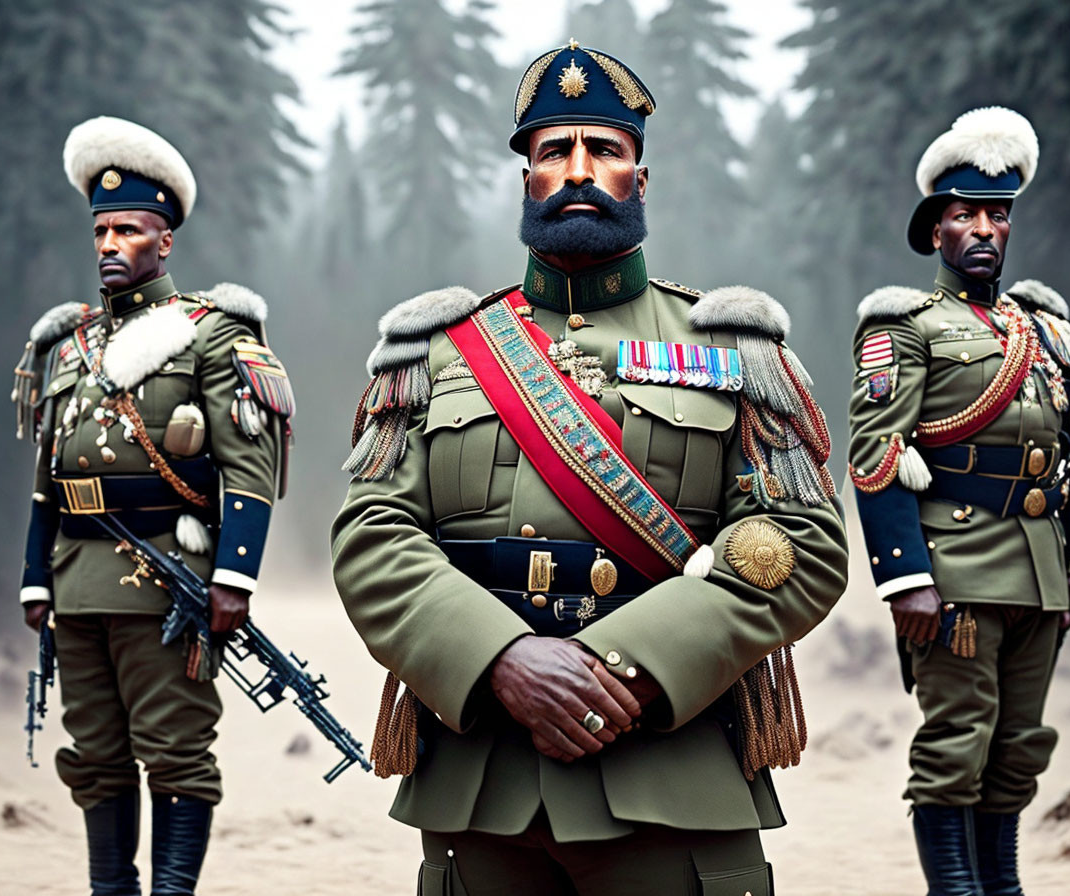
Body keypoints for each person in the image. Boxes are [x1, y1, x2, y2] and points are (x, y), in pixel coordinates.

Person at [332, 41, 848, 895]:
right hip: (484, 785)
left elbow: (799, 544)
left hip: (671, 781)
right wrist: (500, 659)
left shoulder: (734, 348)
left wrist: (620, 669)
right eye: (553, 152)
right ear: (525, 181)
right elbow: (371, 537)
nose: (578, 170)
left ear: (640, 179)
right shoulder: (433, 353)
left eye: (604, 150)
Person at [13, 116, 293, 896]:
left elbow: (249, 468)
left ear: (163, 241)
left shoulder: (209, 335)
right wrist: (37, 578)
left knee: (174, 750)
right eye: (101, 229)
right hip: (78, 580)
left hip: (165, 578)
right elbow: (49, 474)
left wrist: (234, 579)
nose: (109, 244)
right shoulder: (68, 347)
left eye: (128, 230)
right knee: (94, 752)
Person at [848, 107, 1070, 896]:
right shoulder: (905, 325)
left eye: (997, 215)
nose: (984, 229)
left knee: (1018, 745)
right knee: (958, 742)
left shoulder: (1047, 332)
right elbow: (876, 453)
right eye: (965, 215)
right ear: (936, 232)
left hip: (1039, 572)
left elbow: (1069, 454)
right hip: (953, 571)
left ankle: (1003, 887)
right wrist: (904, 577)